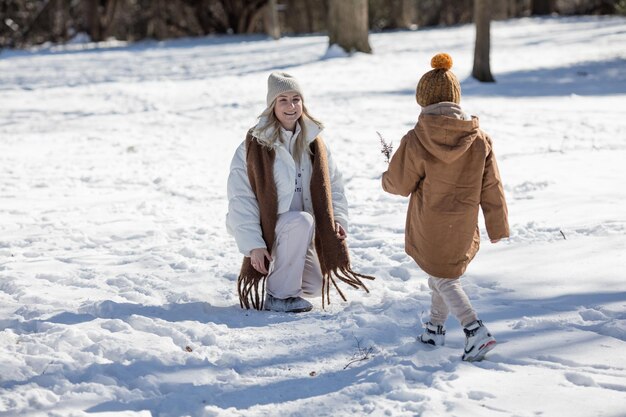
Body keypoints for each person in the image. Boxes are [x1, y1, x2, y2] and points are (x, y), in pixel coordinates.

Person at [381, 53, 509, 361]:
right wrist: (497, 226)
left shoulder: (417, 139)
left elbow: (398, 184)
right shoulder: (480, 139)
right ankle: (435, 329)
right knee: (443, 273)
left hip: (429, 224)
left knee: (442, 277)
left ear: (422, 100)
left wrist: (388, 172)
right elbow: (492, 187)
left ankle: (474, 329)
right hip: (464, 224)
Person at [227, 71, 373, 313]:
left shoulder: (314, 142)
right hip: (272, 229)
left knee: (314, 286)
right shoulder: (252, 146)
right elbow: (241, 199)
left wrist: (337, 219)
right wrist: (254, 245)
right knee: (300, 220)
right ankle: (279, 296)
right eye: (283, 99)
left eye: (296, 98)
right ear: (272, 105)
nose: (291, 106)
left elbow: (333, 185)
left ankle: (283, 277)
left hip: (302, 234)